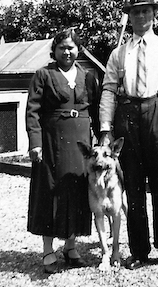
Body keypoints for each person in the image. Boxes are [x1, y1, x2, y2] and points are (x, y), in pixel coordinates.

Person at [99, 0, 158, 271]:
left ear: (154, 15)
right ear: (130, 16)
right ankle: (139, 251)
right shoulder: (119, 53)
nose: (141, 16)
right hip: (128, 117)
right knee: (134, 187)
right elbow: (109, 91)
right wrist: (105, 128)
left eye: (146, 11)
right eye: (136, 12)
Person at [26, 28, 100, 274]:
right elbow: (33, 112)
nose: (67, 52)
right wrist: (35, 143)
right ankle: (48, 250)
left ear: (78, 50)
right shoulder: (43, 75)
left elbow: (97, 111)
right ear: (54, 51)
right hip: (51, 141)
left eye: (71, 47)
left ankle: (70, 246)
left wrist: (100, 138)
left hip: (80, 142)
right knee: (50, 191)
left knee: (76, 190)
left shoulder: (87, 76)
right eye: (62, 48)